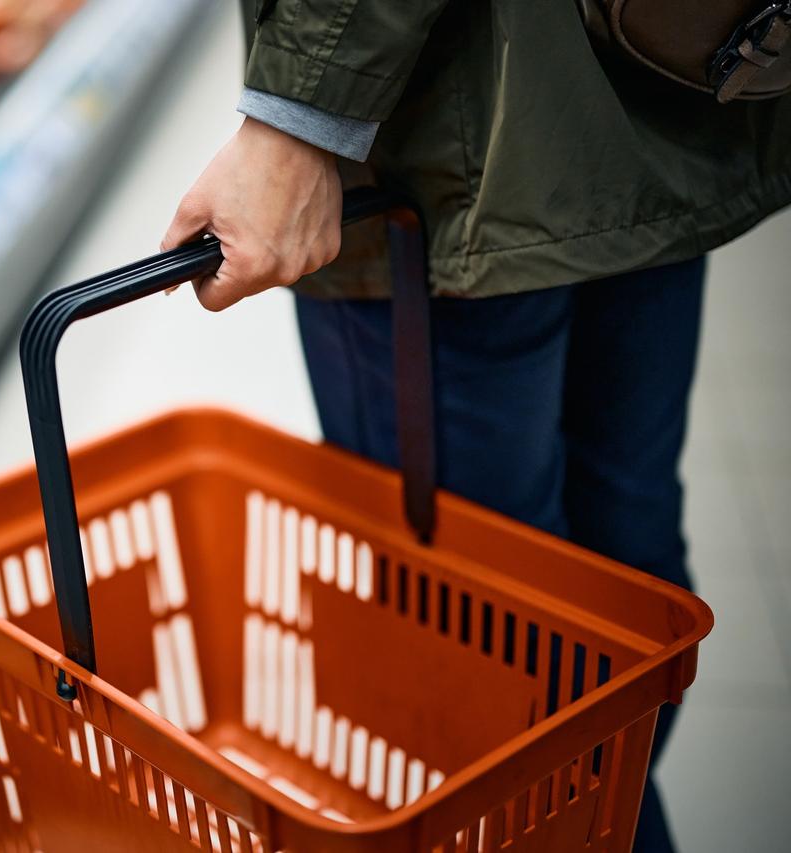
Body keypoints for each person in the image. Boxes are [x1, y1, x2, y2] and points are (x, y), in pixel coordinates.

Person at [161, 3, 791, 852]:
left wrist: (297, 116)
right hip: (657, 98)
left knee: (486, 644)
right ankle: (613, 816)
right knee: (622, 561)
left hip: (455, 165)